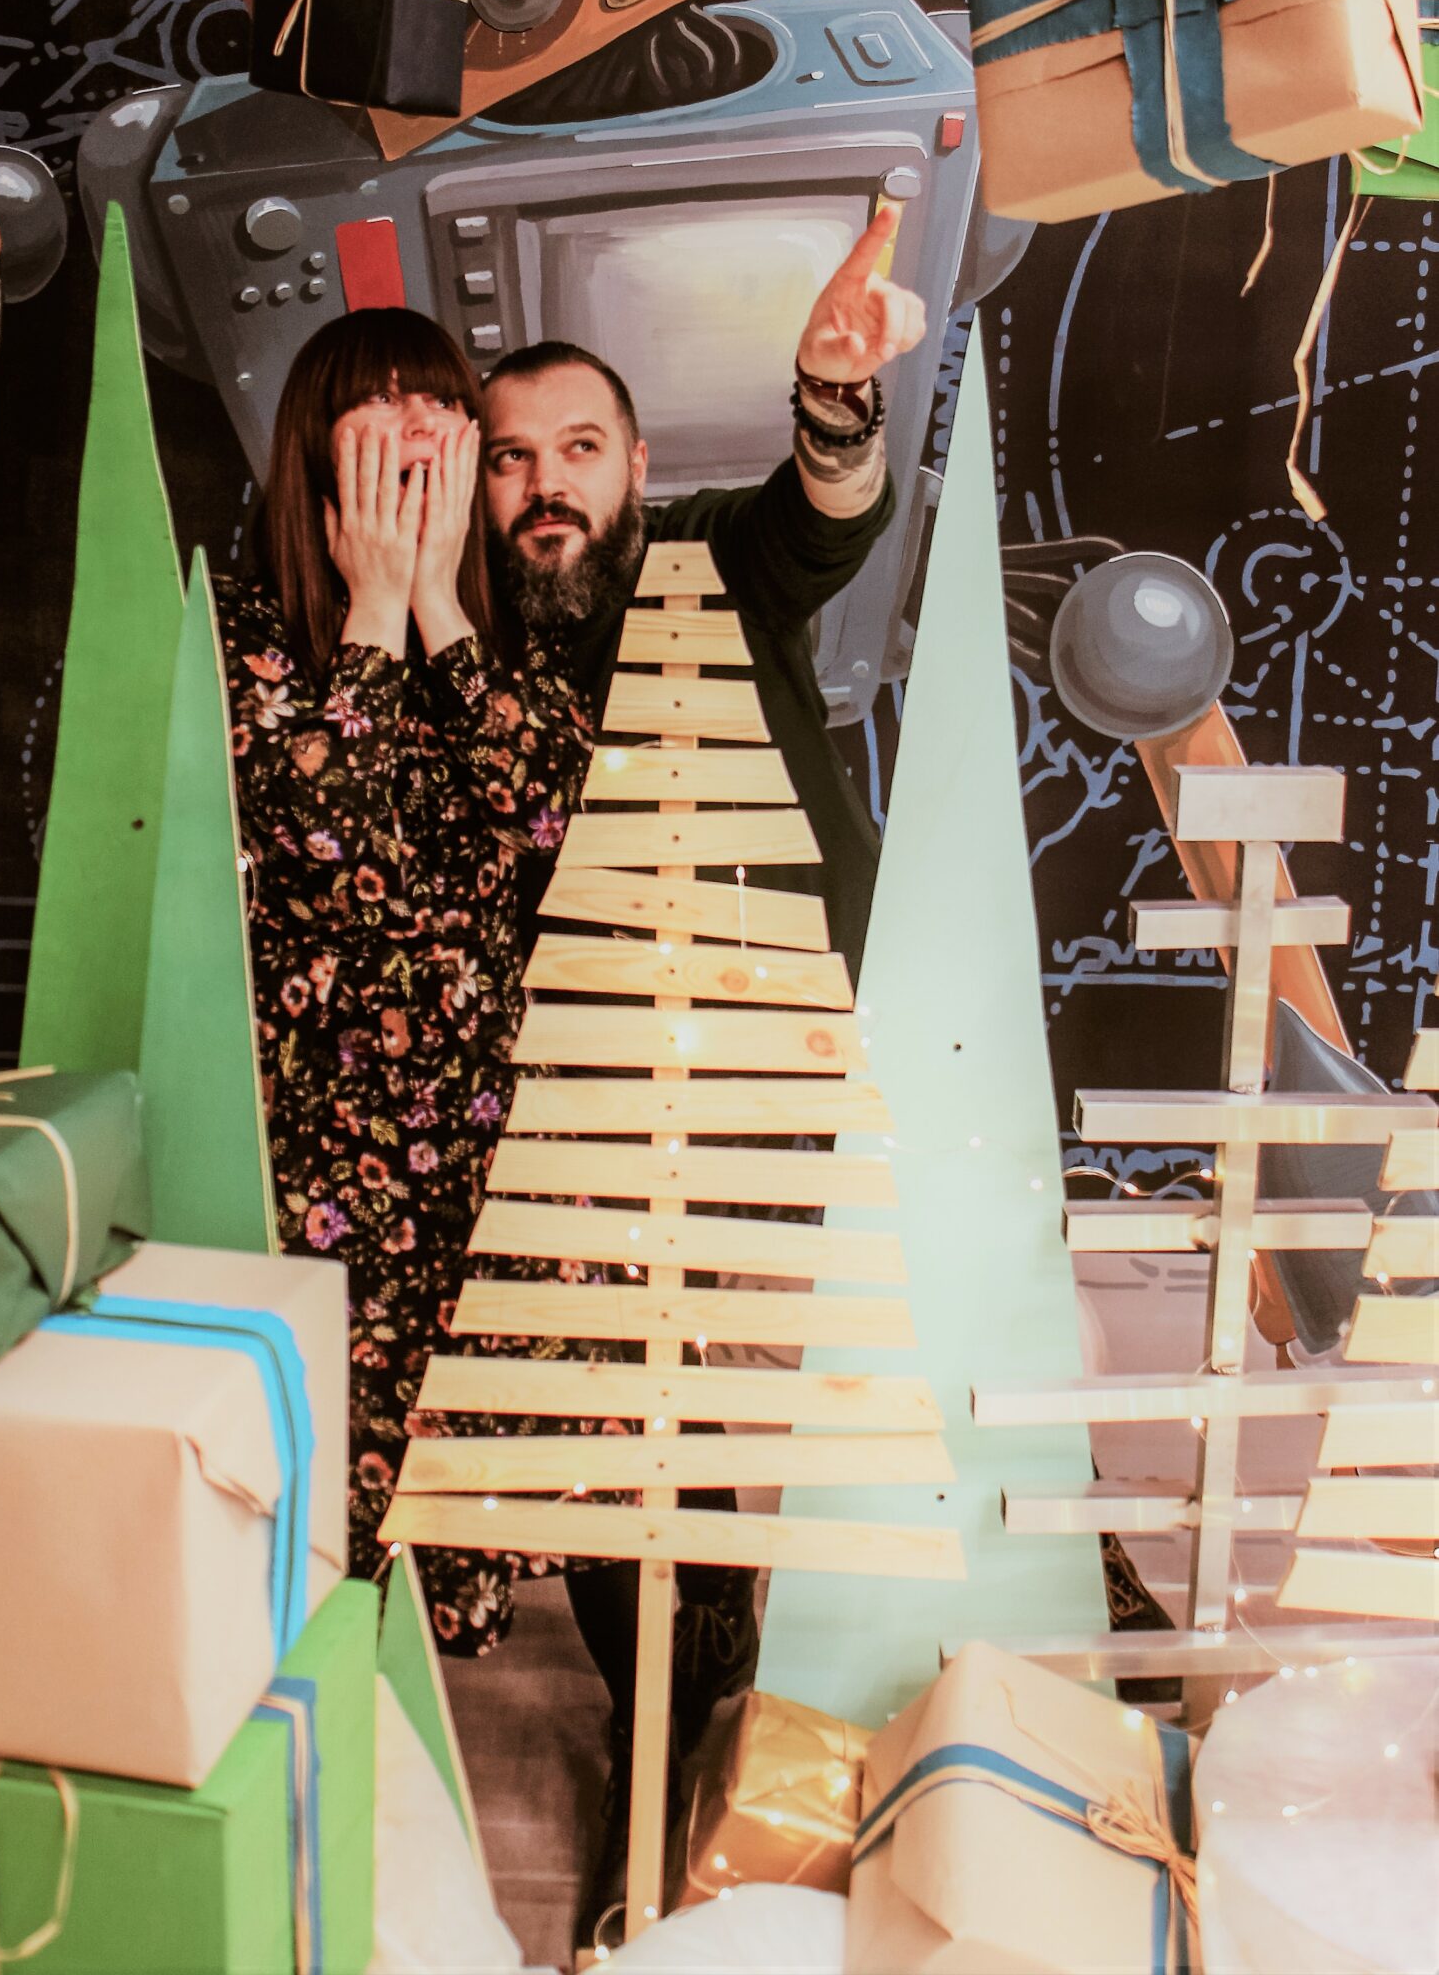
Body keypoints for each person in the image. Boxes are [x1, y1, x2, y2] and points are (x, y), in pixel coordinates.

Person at [478, 208, 927, 1955]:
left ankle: (958, 1698)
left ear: (637, 466)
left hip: (795, 1064)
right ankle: (669, 1727)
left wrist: (835, 397)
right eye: (514, 459)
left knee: (870, 1386)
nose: (548, 487)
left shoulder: (707, 562)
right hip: (593, 1109)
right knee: (620, 1425)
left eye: (579, 449)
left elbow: (829, 517)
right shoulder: (462, 633)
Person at [215, 306, 593, 1655]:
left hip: (476, 1141)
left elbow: (547, 820)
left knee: (459, 1481)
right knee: (319, 1507)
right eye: (382, 400)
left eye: (441, 399)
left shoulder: (499, 640)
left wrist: (434, 604)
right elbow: (331, 857)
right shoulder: (244, 634)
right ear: (316, 444)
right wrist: (373, 609)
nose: (422, 426)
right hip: (319, 1148)